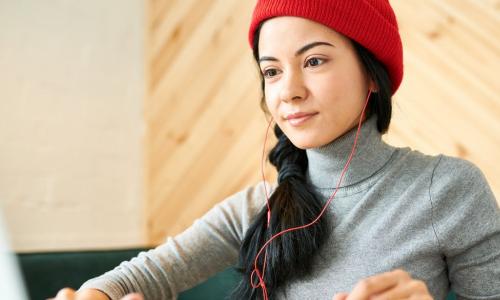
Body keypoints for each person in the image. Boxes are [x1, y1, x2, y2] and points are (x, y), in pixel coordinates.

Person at [52, 0, 500, 299]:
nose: (289, 91)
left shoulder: (447, 189)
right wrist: (94, 294)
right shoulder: (259, 206)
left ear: (371, 73)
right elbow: (136, 279)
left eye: (314, 61)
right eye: (271, 71)